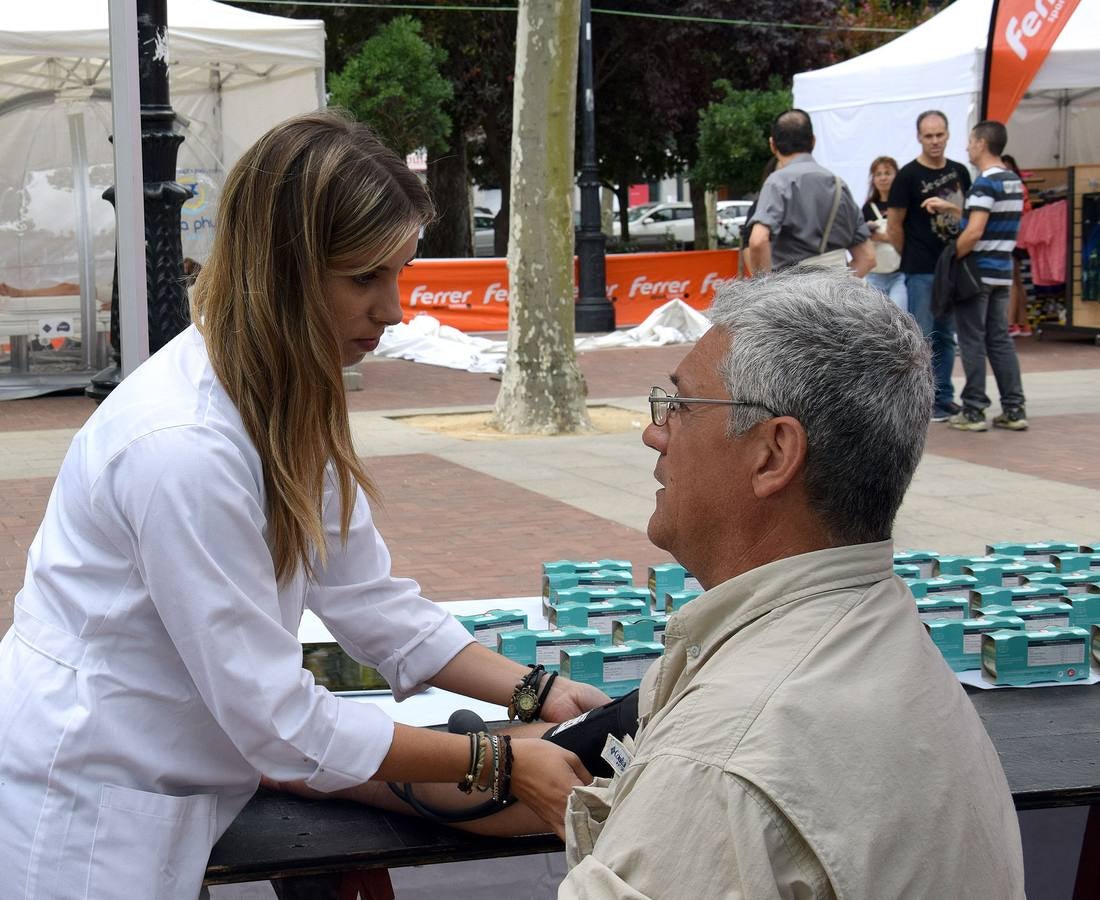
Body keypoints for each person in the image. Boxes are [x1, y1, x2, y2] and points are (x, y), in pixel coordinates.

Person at [0, 110, 608, 900]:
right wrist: (497, 758)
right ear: (282, 269)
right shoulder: (182, 446)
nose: (393, 310)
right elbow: (278, 725)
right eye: (365, 278)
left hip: (160, 776)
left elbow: (365, 596)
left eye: (401, 273)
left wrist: (537, 692)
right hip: (89, 798)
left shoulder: (279, 389)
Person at [275, 270, 1027, 900]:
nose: (653, 433)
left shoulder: (721, 763)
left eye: (681, 405)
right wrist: (324, 763)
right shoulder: (874, 639)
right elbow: (569, 773)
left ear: (773, 455)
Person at [925, 121, 1028, 432]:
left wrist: (952, 255)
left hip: (977, 273)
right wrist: (955, 209)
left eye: (970, 141)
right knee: (1000, 340)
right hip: (1001, 273)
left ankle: (974, 410)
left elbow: (974, 232)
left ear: (982, 143)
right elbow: (989, 218)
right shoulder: (1012, 181)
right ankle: (1014, 407)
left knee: (971, 340)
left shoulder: (984, 183)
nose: (967, 147)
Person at [887, 110, 972, 422]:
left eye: (939, 134)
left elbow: (970, 217)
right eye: (929, 135)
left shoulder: (960, 171)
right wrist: (909, 254)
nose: (935, 141)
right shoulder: (907, 176)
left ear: (948, 135)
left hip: (952, 265)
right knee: (924, 334)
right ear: (919, 137)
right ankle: (922, 401)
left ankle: (944, 397)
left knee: (947, 333)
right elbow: (894, 225)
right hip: (920, 268)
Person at [746, 109, 874, 276]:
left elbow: (757, 241)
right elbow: (868, 257)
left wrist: (765, 288)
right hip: (836, 294)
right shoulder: (838, 185)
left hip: (792, 293)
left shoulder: (778, 182)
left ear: (772, 145)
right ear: (813, 141)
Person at [862, 155, 907, 311]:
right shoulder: (867, 208)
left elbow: (908, 236)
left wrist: (883, 237)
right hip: (874, 274)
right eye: (878, 174)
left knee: (900, 316)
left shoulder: (904, 205)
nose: (883, 178)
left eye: (887, 173)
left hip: (899, 274)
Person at [1001, 153, 1033, 337]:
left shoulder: (1014, 188)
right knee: (1018, 281)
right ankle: (1023, 322)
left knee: (1012, 280)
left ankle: (1012, 323)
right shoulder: (1021, 186)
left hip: (1013, 237)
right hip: (1021, 236)